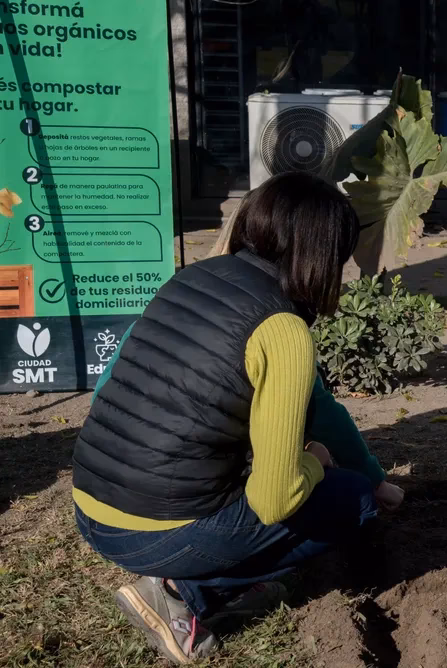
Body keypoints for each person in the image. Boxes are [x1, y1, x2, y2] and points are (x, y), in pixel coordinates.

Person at [71, 172, 405, 664]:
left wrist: (365, 470)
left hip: (91, 506)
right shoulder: (282, 328)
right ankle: (181, 592)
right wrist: (318, 462)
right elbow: (275, 500)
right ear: (323, 255)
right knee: (349, 499)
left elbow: (318, 410)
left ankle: (192, 571)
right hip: (153, 532)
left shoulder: (192, 278)